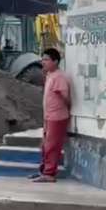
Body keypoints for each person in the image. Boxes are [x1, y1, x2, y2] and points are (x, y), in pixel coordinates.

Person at [35, 47, 71, 183]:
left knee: (52, 145)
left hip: (57, 117)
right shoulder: (50, 75)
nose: (43, 62)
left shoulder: (59, 77)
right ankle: (43, 171)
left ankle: (49, 174)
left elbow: (65, 96)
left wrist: (64, 108)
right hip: (49, 116)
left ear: (55, 61)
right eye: (42, 59)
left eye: (46, 60)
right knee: (45, 145)